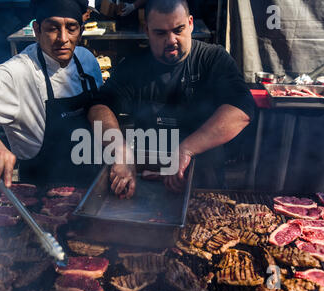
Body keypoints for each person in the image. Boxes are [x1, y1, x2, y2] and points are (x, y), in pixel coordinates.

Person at [88, 0, 255, 196]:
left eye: (178, 29)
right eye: (161, 33)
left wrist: (186, 150)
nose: (171, 40)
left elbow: (241, 109)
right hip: (146, 183)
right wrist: (120, 151)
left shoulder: (213, 59)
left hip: (203, 183)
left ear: (191, 23)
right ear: (147, 30)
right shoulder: (134, 66)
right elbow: (99, 106)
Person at [0, 0, 103, 187]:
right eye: (52, 28)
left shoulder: (87, 60)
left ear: (81, 31)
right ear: (37, 30)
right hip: (42, 196)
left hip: (91, 184)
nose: (63, 38)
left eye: (71, 28)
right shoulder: (17, 72)